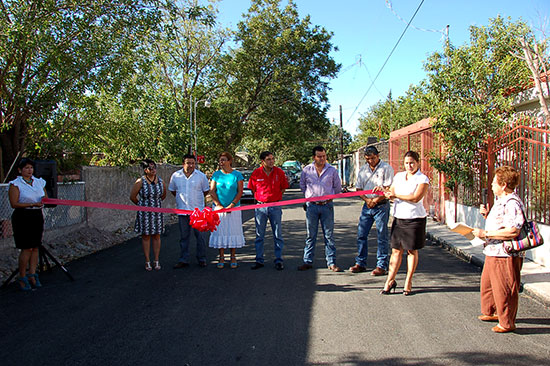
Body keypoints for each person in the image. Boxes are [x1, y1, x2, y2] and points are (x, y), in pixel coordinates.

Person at [472, 166, 525, 333]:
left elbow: (513, 230)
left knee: (505, 287)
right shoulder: (501, 202)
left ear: (503, 184)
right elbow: (501, 223)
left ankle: (507, 321)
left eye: (495, 182)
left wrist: (485, 233)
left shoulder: (512, 203)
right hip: (493, 250)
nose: (492, 185)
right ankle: (492, 311)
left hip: (505, 253)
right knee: (489, 284)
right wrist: (487, 216)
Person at [380, 151, 429, 296]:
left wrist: (395, 195)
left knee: (411, 250)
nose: (409, 165)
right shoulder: (399, 176)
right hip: (399, 217)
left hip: (414, 219)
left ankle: (408, 281)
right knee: (396, 250)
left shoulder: (422, 179)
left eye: (412, 162)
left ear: (418, 162)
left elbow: (415, 197)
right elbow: (392, 193)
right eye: (407, 163)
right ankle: (390, 280)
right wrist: (385, 192)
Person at [349, 146, 394, 275]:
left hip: (381, 206)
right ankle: (360, 262)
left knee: (381, 235)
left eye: (373, 158)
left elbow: (388, 188)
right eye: (368, 159)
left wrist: (376, 200)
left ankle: (382, 265)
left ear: (378, 156)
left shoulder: (386, 168)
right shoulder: (363, 170)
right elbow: (359, 189)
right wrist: (368, 200)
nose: (371, 161)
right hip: (367, 205)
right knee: (361, 234)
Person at [298, 146, 342, 272]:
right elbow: (302, 186)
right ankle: (307, 261)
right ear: (314, 157)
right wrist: (311, 196)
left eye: (324, 156)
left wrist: (327, 195)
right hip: (311, 207)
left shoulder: (332, 170)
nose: (322, 159)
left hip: (327, 206)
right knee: (310, 235)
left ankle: (331, 262)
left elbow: (337, 188)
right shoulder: (307, 170)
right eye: (319, 156)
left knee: (329, 235)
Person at [8, 158, 48, 291]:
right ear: (20, 170)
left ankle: (32, 273)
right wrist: (32, 204)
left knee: (36, 247)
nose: (29, 170)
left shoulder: (39, 182)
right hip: (23, 216)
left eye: (31, 168)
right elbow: (14, 203)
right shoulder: (16, 184)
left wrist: (43, 202)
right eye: (26, 168)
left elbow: (45, 197)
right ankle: (22, 276)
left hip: (37, 215)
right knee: (27, 248)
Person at [248, 151, 289, 270]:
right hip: (260, 208)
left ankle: (278, 260)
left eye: (272, 159)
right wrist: (261, 200)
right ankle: (259, 260)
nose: (271, 161)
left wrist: (275, 198)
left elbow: (283, 188)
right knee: (259, 235)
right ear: (262, 161)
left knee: (277, 234)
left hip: (275, 207)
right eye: (268, 159)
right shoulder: (256, 173)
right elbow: (252, 189)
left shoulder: (279, 172)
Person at [169, 154, 210, 268]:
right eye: (188, 163)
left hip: (198, 213)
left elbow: (205, 191)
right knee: (184, 237)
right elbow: (173, 191)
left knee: (200, 237)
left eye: (193, 163)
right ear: (183, 163)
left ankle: (201, 259)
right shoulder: (176, 176)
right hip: (183, 212)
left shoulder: (201, 176)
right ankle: (183, 259)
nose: (191, 165)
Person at [209, 152, 246, 269]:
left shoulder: (237, 175)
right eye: (220, 160)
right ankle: (221, 256)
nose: (221, 162)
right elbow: (212, 191)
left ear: (230, 161)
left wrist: (232, 205)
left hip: (234, 209)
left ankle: (233, 256)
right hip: (219, 209)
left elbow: (240, 191)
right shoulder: (216, 175)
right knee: (220, 231)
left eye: (224, 160)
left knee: (232, 231)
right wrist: (218, 205)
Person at [130, 159, 167, 271]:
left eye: (154, 168)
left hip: (157, 211)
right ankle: (147, 261)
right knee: (146, 236)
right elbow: (133, 196)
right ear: (145, 170)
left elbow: (163, 195)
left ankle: (156, 260)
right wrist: (142, 205)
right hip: (145, 213)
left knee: (157, 235)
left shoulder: (160, 181)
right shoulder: (140, 181)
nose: (153, 170)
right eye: (150, 168)